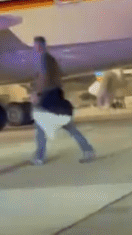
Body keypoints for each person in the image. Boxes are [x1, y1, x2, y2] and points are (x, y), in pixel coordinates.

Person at [30, 36, 95, 165]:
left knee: (41, 128)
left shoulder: (43, 59)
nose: (35, 48)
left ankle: (39, 157)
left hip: (47, 97)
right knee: (69, 126)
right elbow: (59, 76)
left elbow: (43, 77)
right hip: (56, 95)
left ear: (40, 46)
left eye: (36, 45)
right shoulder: (52, 59)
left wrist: (37, 93)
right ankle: (88, 150)